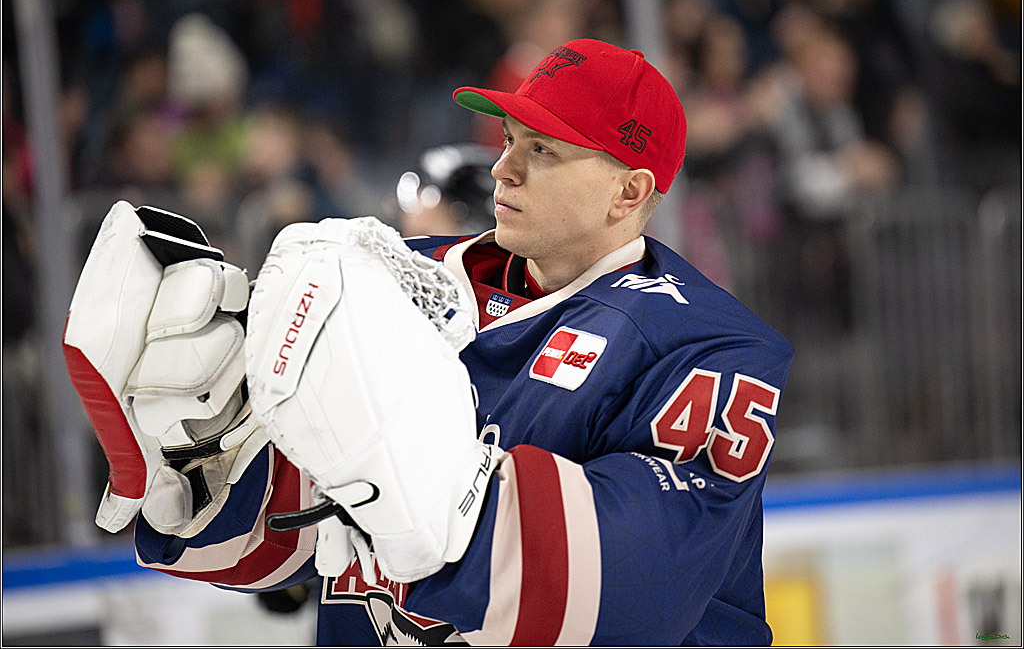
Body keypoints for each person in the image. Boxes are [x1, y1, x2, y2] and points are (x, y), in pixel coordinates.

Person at [68, 38, 793, 646]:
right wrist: (209, 453)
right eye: (510, 139)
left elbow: (633, 598)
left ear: (629, 193)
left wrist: (430, 496)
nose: (503, 167)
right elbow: (284, 548)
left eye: (542, 149)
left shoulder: (706, 349)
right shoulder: (396, 279)